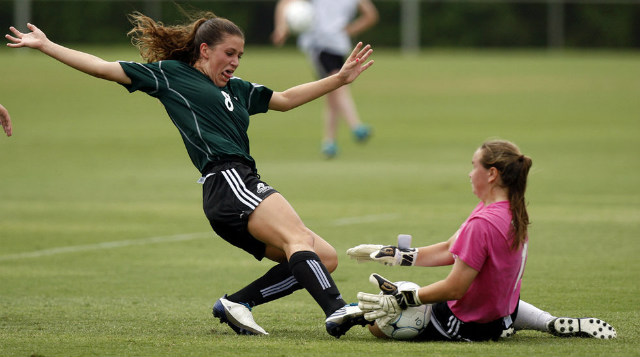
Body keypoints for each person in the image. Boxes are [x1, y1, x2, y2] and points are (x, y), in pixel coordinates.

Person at [6, 11, 374, 338]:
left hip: (240, 184)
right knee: (297, 237)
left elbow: (287, 99)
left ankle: (237, 304)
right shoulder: (172, 76)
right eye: (229, 53)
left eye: (239, 55)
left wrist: (339, 79)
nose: (235, 61)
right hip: (227, 181)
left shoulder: (238, 89)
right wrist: (47, 45)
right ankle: (336, 309)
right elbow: (102, 67)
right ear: (204, 50)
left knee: (325, 257)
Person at [346, 139, 617, 341]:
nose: (469, 173)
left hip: (469, 324)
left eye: (474, 166)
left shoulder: (483, 222)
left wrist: (406, 298)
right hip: (501, 313)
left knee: (377, 323)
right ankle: (545, 321)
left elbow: (454, 289)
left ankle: (360, 310)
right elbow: (450, 249)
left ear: (492, 173)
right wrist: (397, 255)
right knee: (401, 295)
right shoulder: (508, 209)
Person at [272, 0, 379, 158]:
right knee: (337, 84)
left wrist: (349, 30)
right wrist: (282, 26)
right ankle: (355, 125)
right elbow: (285, 3)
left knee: (333, 91)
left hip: (338, 45)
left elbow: (371, 16)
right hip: (320, 45)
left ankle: (329, 142)